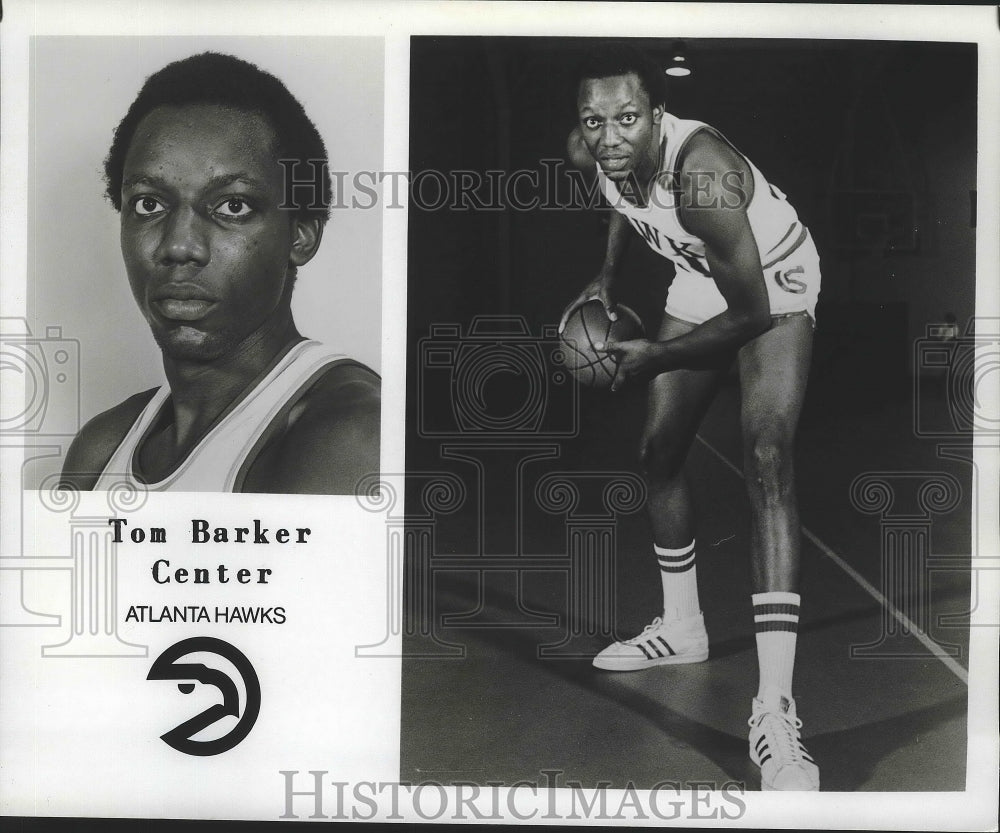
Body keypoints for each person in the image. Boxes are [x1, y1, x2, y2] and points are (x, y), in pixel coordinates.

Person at [559, 43, 821, 791]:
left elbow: (749, 316)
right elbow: (621, 201)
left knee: (766, 454)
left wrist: (655, 358)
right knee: (658, 451)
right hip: (699, 273)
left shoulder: (702, 177)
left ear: (658, 114)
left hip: (772, 283)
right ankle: (682, 627)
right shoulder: (596, 151)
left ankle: (774, 709)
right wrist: (607, 275)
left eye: (628, 119)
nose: (610, 136)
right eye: (596, 120)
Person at [59, 52, 380, 494]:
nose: (178, 246)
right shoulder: (101, 447)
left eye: (233, 206)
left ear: (301, 236)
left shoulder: (354, 437)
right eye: (149, 204)